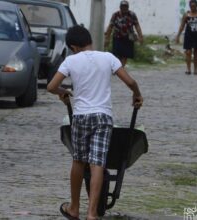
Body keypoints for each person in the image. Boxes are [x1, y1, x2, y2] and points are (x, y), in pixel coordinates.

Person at [47, 25, 143, 220]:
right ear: (89, 41)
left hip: (81, 117)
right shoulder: (108, 57)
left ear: (73, 46)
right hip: (103, 117)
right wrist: (137, 95)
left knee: (78, 161)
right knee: (97, 163)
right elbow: (130, 82)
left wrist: (63, 93)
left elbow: (51, 86)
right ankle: (92, 214)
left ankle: (74, 208)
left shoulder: (71, 60)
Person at [176, 0, 197, 75]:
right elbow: (182, 26)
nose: (193, 8)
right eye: (191, 6)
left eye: (194, 6)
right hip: (189, 35)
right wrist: (178, 35)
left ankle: (195, 69)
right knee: (188, 52)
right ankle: (188, 69)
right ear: (189, 6)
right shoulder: (186, 15)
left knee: (196, 53)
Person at [104, 0, 143, 67]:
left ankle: (121, 68)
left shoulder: (132, 15)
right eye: (123, 7)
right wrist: (107, 38)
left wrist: (140, 36)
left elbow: (137, 25)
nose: (124, 8)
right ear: (120, 7)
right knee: (116, 54)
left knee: (125, 55)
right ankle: (117, 67)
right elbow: (110, 27)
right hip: (117, 37)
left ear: (128, 7)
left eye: (125, 7)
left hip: (128, 38)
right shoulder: (115, 15)